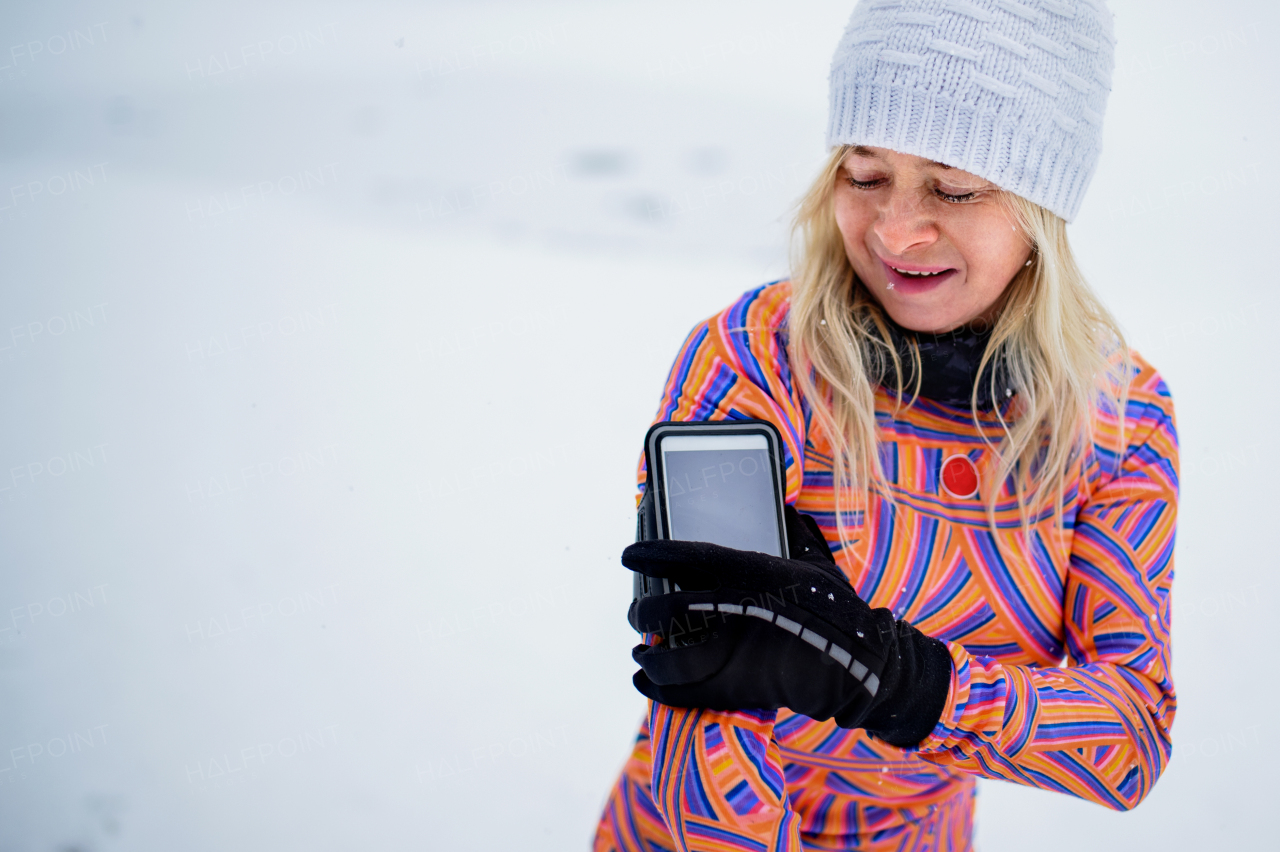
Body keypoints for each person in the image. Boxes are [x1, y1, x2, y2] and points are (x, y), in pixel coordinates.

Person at [593, 1, 1177, 850]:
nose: (896, 229)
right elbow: (706, 708)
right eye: (865, 175)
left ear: (1044, 207)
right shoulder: (754, 360)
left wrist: (904, 682)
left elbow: (1127, 739)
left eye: (956, 187)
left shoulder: (1119, 418)